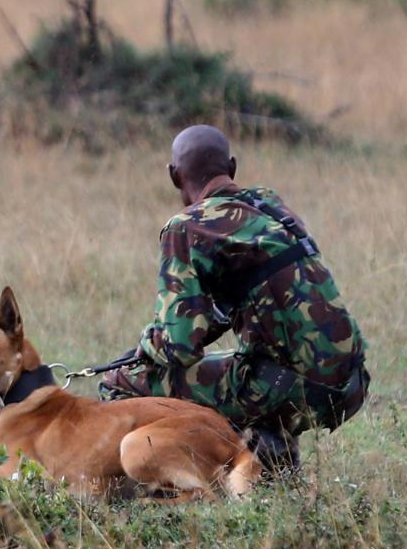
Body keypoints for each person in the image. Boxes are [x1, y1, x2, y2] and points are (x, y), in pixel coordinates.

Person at [99, 125, 368, 472]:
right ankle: (270, 458)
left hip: (292, 387)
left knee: (122, 382)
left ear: (174, 176)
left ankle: (174, 481)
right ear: (233, 167)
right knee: (249, 362)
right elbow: (239, 307)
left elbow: (178, 348)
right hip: (350, 383)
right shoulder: (271, 206)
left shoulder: (186, 227)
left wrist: (143, 349)